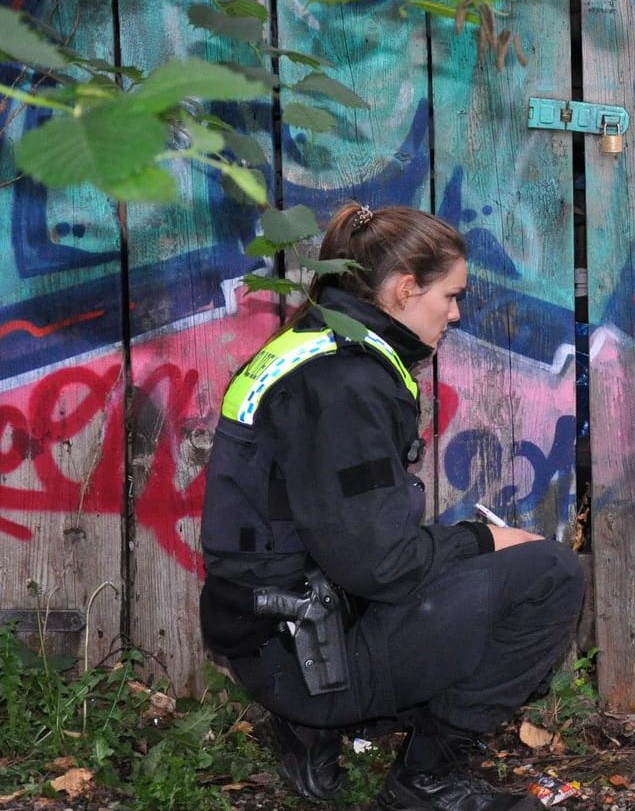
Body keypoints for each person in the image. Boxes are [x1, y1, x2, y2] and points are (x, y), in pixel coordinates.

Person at [198, 203, 585, 811]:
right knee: (551, 574)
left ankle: (316, 728)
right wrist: (485, 542)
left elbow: (346, 534)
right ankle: (424, 781)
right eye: (451, 296)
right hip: (301, 652)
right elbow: (381, 565)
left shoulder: (317, 343)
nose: (456, 313)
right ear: (406, 289)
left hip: (280, 629)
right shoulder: (346, 381)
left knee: (476, 567)